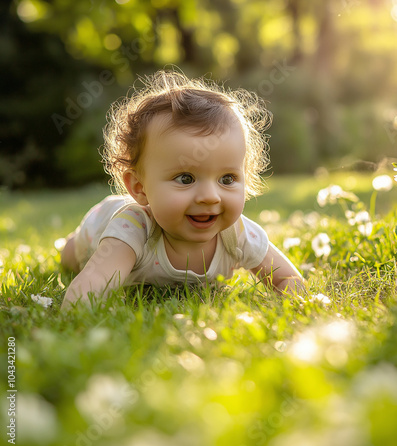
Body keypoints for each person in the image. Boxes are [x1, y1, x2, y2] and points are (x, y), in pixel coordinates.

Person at [61, 70, 305, 308]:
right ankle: (68, 243)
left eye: (227, 179)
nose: (210, 197)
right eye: (186, 178)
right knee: (70, 257)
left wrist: (288, 307)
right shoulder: (133, 230)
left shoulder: (237, 234)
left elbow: (289, 280)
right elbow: (91, 286)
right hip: (98, 227)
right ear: (139, 187)